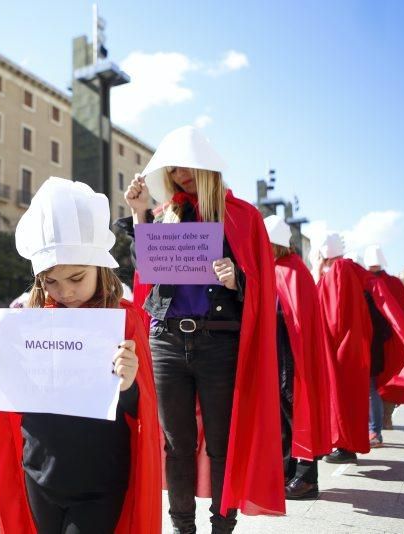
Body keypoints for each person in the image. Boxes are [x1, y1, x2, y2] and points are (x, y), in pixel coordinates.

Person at [121, 125, 284, 532]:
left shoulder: (243, 216)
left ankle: (221, 528)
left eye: (188, 166)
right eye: (173, 168)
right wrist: (140, 212)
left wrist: (237, 280)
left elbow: (263, 289)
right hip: (167, 342)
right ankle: (183, 528)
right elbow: (143, 270)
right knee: (175, 446)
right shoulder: (163, 215)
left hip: (219, 343)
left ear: (209, 166)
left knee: (221, 443)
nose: (181, 174)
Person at [0, 177, 161, 534]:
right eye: (52, 282)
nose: (66, 292)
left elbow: (142, 412)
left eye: (76, 278)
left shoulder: (126, 320)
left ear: (100, 270)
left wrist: (129, 384)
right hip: (38, 474)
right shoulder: (27, 322)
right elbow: (18, 395)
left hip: (100, 481)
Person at [316, 234, 404, 462]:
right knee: (368, 392)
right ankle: (371, 431)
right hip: (365, 345)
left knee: (356, 395)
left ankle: (356, 440)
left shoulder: (340, 271)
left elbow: (333, 314)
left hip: (350, 348)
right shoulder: (360, 273)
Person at [264, 216, 332, 500]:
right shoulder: (279, 270)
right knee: (282, 417)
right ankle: (287, 473)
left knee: (296, 412)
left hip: (292, 358)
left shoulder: (293, 271)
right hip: (280, 354)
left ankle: (306, 478)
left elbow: (298, 321)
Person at [363, 245, 404, 430]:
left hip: (373, 339)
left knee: (374, 382)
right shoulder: (395, 283)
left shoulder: (364, 282)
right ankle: (386, 417)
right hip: (395, 339)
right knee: (390, 380)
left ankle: (378, 422)